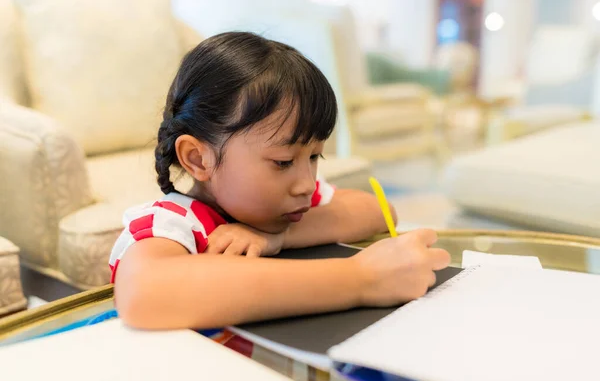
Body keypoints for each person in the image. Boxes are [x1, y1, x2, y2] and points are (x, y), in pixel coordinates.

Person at [109, 32, 450, 330]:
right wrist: (360, 280)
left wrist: (276, 237)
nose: (306, 183)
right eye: (283, 161)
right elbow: (143, 291)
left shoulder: (283, 210)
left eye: (315, 156)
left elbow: (379, 211)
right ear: (199, 159)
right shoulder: (173, 222)